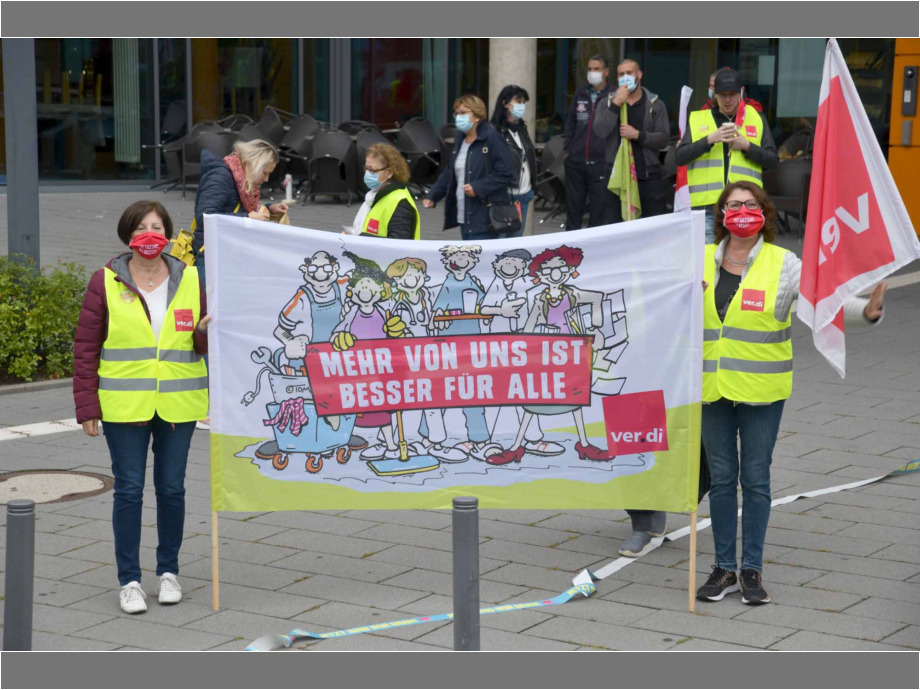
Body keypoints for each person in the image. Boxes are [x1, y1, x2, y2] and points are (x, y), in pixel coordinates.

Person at [696, 182, 887, 606]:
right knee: (723, 480)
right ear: (720, 213)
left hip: (763, 391)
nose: (741, 211)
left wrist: (866, 312)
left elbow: (822, 304)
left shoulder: (785, 264)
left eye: (749, 204)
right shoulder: (699, 263)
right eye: (732, 205)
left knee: (756, 479)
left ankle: (751, 569)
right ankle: (723, 567)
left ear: (764, 213)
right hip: (711, 390)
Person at [73, 200, 209, 614]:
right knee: (129, 491)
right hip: (123, 405)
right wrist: (86, 406)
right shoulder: (105, 281)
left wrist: (204, 333)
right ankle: (129, 580)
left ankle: (168, 572)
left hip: (178, 403)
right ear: (127, 235)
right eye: (141, 228)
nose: (150, 235)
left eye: (157, 226)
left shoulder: (190, 279)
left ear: (168, 234)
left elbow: (201, 344)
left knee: (172, 489)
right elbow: (86, 347)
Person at [192, 139, 288, 430]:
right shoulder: (222, 176)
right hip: (211, 260)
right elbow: (206, 215)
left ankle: (219, 402)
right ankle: (210, 407)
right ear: (254, 164)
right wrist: (248, 217)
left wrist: (268, 209)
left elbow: (225, 210)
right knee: (213, 327)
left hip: (225, 259)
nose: (266, 179)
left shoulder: (235, 177)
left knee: (222, 328)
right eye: (266, 172)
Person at [486, 245, 610, 465]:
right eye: (547, 270)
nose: (554, 274)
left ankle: (583, 443)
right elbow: (530, 325)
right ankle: (516, 446)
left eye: (560, 268)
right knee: (534, 398)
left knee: (576, 397)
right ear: (539, 275)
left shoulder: (571, 294)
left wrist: (596, 328)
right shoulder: (541, 299)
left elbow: (597, 298)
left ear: (569, 269)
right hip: (547, 353)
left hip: (571, 352)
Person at [676, 69, 777, 244]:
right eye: (722, 95)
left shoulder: (757, 118)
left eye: (732, 94)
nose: (727, 100)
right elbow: (679, 157)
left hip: (745, 208)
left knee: (742, 264)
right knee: (707, 264)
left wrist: (747, 146)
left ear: (741, 93)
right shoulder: (698, 118)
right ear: (714, 94)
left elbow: (772, 161)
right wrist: (708, 140)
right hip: (707, 209)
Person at [331, 252, 407, 460]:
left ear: (379, 292)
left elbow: (396, 338)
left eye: (370, 287)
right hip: (358, 371)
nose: (365, 291)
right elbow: (338, 332)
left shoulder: (384, 312)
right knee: (356, 408)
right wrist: (340, 339)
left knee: (382, 411)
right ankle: (352, 442)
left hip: (380, 371)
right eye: (361, 287)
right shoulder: (351, 313)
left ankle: (391, 445)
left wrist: (395, 332)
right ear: (353, 292)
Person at [423, 95, 515, 241]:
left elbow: (506, 172)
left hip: (486, 216)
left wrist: (478, 188)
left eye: (464, 113)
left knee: (481, 260)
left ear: (477, 116)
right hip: (464, 214)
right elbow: (451, 170)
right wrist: (433, 195)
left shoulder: (491, 137)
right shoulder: (461, 138)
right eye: (457, 113)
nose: (459, 117)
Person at [593, 58, 671, 221]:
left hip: (648, 175)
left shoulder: (655, 104)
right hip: (616, 176)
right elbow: (600, 131)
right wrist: (615, 104)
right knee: (615, 227)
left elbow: (663, 138)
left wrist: (638, 135)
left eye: (629, 73)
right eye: (621, 74)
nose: (625, 77)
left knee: (652, 226)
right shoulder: (606, 103)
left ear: (639, 75)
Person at [563, 54, 615, 230]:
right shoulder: (581, 93)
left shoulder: (613, 96)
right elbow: (571, 122)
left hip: (601, 163)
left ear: (606, 72)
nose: (592, 73)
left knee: (598, 212)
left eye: (597, 69)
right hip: (576, 162)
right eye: (590, 69)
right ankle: (569, 250)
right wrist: (568, 149)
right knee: (573, 211)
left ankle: (594, 253)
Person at [346, 142, 420, 239]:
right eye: (366, 168)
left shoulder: (400, 204)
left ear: (389, 173)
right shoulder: (375, 196)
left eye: (372, 170)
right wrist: (352, 235)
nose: (367, 174)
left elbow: (399, 244)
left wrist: (360, 238)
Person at [490, 85, 537, 231]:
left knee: (516, 243)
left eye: (524, 102)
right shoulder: (494, 132)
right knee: (500, 242)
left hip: (524, 194)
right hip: (506, 197)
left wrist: (532, 189)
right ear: (505, 104)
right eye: (518, 101)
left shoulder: (521, 128)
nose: (522, 106)